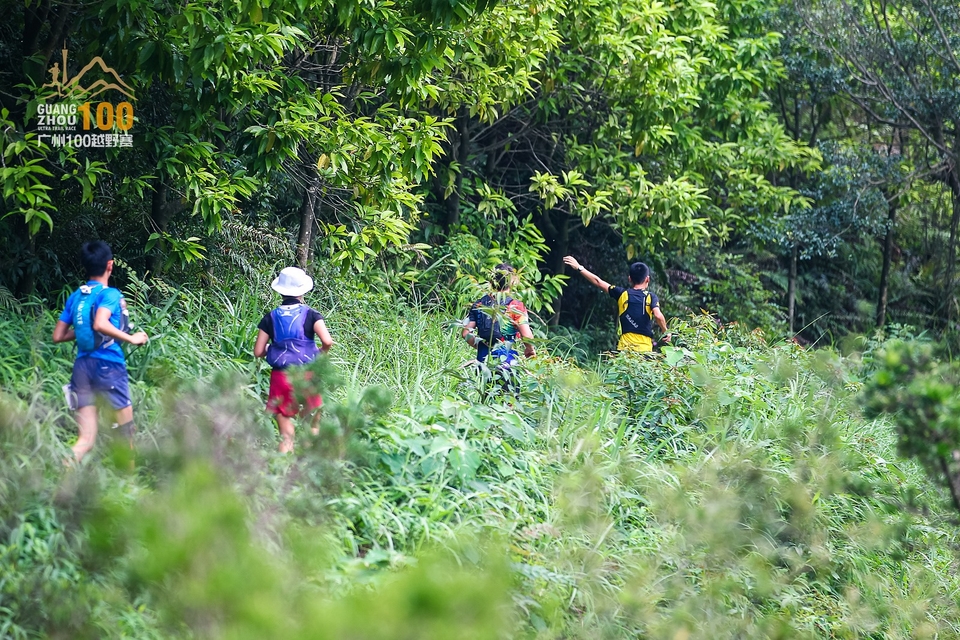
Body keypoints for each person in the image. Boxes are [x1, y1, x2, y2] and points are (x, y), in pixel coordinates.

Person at [53, 241, 149, 462]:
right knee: (126, 434)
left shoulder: (77, 296)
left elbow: (58, 336)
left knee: (85, 439)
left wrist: (83, 328)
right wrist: (132, 339)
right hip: (109, 366)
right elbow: (100, 323)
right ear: (110, 265)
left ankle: (61, 476)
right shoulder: (110, 294)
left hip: (82, 369)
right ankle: (130, 490)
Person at [253, 267, 333, 453]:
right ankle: (307, 471)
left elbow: (258, 351)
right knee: (311, 427)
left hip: (281, 378)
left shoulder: (269, 318)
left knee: (286, 435)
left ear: (280, 290)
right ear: (303, 291)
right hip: (308, 374)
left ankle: (281, 474)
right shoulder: (312, 315)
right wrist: (321, 353)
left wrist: (274, 350)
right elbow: (327, 341)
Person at [563, 256, 670, 353]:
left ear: (629, 279)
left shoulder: (621, 294)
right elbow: (658, 315)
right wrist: (666, 331)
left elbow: (598, 282)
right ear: (647, 279)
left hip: (624, 348)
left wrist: (579, 267)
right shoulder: (651, 297)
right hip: (644, 350)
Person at [462, 263, 536, 366]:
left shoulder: (478, 304)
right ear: (512, 282)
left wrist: (483, 347)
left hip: (483, 362)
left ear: (492, 281)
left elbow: (465, 333)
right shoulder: (515, 306)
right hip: (507, 361)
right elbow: (526, 335)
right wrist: (530, 349)